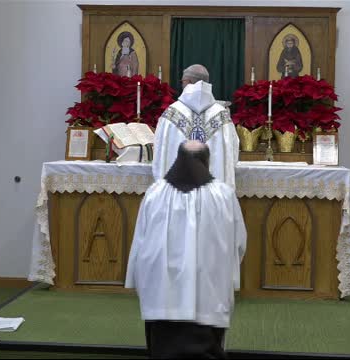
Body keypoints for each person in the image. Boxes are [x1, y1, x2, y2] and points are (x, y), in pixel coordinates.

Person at [126, 141, 247, 359]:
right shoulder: (223, 195)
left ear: (177, 158)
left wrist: (140, 281)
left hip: (161, 294)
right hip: (208, 293)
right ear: (206, 161)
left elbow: (140, 244)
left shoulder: (155, 192)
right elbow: (238, 244)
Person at [152, 64, 239, 188]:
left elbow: (159, 155)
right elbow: (233, 155)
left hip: (178, 195)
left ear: (188, 82)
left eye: (182, 82)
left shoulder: (171, 114)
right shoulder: (222, 116)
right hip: (213, 197)